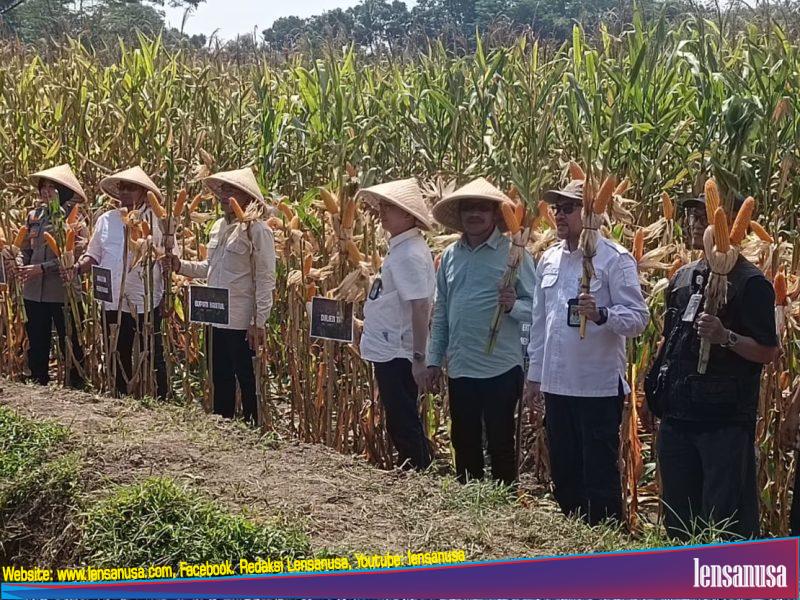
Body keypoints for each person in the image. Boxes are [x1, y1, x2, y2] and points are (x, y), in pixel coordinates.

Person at [645, 192, 779, 540]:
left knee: (723, 524)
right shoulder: (683, 277)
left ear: (731, 225)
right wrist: (655, 388)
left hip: (723, 424)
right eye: (690, 216)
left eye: (703, 217)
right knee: (678, 520)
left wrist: (725, 337)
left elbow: (767, 351)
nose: (693, 224)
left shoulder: (751, 283)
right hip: (677, 419)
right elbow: (669, 339)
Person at [523, 179, 649, 525]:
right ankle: (572, 536)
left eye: (568, 208)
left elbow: (639, 318)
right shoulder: (548, 259)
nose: (559, 215)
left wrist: (602, 314)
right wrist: (534, 376)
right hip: (557, 385)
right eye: (556, 209)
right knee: (564, 471)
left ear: (591, 212)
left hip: (597, 387)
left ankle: (605, 539)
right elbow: (540, 323)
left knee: (599, 475)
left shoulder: (614, 259)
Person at [425, 177, 536, 486]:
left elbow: (538, 308)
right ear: (460, 214)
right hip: (461, 365)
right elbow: (442, 311)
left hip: (500, 365)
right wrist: (434, 359)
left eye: (482, 208)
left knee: (501, 442)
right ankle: (468, 500)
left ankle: (503, 501)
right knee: (464, 440)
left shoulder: (515, 254)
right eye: (468, 208)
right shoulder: (450, 256)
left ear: (495, 214)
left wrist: (513, 306)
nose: (474, 214)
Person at [162, 168, 276, 423]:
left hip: (240, 318)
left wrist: (258, 321)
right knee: (219, 374)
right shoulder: (218, 227)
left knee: (246, 376)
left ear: (248, 197)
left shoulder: (258, 231)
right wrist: (180, 266)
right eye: (223, 190)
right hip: (215, 315)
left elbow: (266, 277)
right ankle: (223, 423)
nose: (225, 195)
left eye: (231, 190)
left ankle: (253, 425)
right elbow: (210, 267)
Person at [68, 166, 170, 400]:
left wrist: (166, 293)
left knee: (152, 350)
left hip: (145, 297)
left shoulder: (158, 221)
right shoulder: (106, 219)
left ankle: (160, 398)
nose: (124, 193)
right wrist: (76, 268)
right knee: (116, 348)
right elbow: (93, 254)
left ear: (143, 192)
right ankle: (119, 396)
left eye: (130, 188)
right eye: (122, 188)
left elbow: (167, 259)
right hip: (111, 296)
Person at [356, 178, 435, 471]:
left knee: (402, 418)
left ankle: (418, 472)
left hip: (398, 350)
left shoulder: (408, 253)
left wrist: (418, 357)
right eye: (383, 206)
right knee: (400, 415)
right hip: (393, 346)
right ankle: (416, 469)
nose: (383, 212)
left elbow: (421, 305)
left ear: (410, 215)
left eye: (391, 207)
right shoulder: (403, 248)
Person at [15, 164, 88, 388]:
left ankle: (76, 383)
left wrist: (43, 268)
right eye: (43, 187)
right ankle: (38, 380)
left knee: (70, 338)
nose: (46, 192)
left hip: (63, 291)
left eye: (52, 187)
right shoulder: (34, 216)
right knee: (37, 338)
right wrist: (19, 262)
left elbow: (75, 255)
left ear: (63, 192)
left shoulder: (75, 219)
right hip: (33, 289)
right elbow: (25, 248)